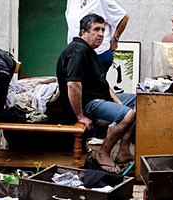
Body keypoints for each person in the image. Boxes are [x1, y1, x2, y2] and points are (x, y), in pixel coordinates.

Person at [57, 13, 136, 173]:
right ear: (83, 32)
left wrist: (118, 103)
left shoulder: (89, 51)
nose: (101, 34)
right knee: (127, 115)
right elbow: (73, 85)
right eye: (96, 29)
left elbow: (103, 84)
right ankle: (103, 153)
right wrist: (80, 116)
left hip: (99, 99)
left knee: (140, 101)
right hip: (88, 104)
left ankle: (124, 151)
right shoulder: (78, 51)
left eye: (103, 30)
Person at [65, 0, 129, 73]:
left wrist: (115, 39)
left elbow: (124, 17)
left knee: (93, 88)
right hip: (76, 53)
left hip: (98, 54)